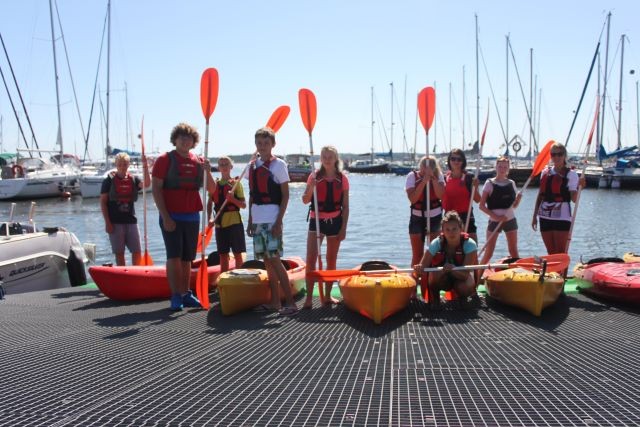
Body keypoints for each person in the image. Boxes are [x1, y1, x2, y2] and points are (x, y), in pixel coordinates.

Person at [152, 123, 215, 311]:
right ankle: (176, 295)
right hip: (171, 215)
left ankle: (186, 293)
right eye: (182, 137)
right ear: (175, 139)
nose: (185, 140)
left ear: (193, 141)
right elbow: (156, 189)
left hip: (192, 216)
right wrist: (166, 216)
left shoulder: (199, 161)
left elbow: (212, 189)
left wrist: (208, 171)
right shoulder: (164, 159)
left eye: (188, 138)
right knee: (174, 256)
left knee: (187, 258)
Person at [246, 127, 298, 316]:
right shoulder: (252, 166)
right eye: (259, 143)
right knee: (267, 262)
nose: (262, 146)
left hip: (272, 219)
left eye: (266, 143)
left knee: (275, 261)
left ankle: (291, 303)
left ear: (273, 145)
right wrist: (250, 221)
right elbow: (252, 195)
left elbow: (285, 195)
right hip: (258, 220)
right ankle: (274, 302)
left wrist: (279, 221)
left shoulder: (279, 165)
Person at [302, 146, 350, 309]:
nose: (327, 159)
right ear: (320, 158)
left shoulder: (342, 179)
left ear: (336, 159)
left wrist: (343, 228)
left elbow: (346, 206)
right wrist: (312, 187)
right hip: (317, 222)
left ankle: (328, 296)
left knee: (331, 260)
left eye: (330, 156)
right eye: (324, 156)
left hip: (335, 221)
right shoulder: (314, 176)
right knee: (311, 259)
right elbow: (305, 199)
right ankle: (309, 298)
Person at [415, 210, 478, 309]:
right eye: (447, 229)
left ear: (461, 229)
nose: (451, 232)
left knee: (465, 286)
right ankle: (435, 300)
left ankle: (463, 298)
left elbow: (465, 274)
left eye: (454, 229)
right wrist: (419, 269)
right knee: (434, 273)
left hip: (460, 277)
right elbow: (423, 267)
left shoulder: (470, 244)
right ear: (442, 231)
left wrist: (452, 269)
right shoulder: (436, 243)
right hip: (442, 277)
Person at [532, 142, 586, 255]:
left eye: (559, 154)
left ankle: (562, 272)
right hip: (545, 215)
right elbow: (541, 195)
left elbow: (574, 200)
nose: (556, 157)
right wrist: (534, 216)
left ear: (564, 155)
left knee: (561, 252)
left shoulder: (571, 175)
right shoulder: (545, 173)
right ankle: (553, 272)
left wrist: (580, 187)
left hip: (562, 216)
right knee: (550, 252)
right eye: (553, 154)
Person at [100, 152, 151, 266]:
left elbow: (147, 184)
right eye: (120, 164)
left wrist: (145, 165)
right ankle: (122, 274)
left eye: (125, 164)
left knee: (137, 251)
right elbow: (103, 202)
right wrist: (107, 223)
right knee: (119, 253)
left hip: (131, 221)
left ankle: (136, 275)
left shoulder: (133, 179)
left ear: (128, 165)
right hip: (115, 222)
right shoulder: (108, 181)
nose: (122, 167)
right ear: (116, 164)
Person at [478, 156, 522, 264]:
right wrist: (496, 217)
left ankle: (518, 276)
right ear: (496, 167)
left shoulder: (511, 183)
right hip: (494, 221)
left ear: (508, 169)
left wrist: (518, 200)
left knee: (513, 251)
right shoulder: (489, 183)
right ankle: (477, 277)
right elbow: (481, 206)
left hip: (510, 220)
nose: (502, 169)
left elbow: (514, 206)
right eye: (500, 166)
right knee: (489, 252)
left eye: (505, 167)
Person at [207, 156, 246, 273]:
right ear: (218, 167)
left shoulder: (236, 184)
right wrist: (209, 218)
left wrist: (232, 199)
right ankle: (223, 279)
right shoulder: (214, 185)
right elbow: (209, 203)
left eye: (226, 164)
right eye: (221, 165)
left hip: (235, 223)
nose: (224, 167)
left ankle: (239, 278)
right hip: (220, 225)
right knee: (223, 255)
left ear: (231, 167)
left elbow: (243, 205)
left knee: (237, 253)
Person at [406, 155, 445, 272]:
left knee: (433, 252)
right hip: (417, 217)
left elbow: (440, 195)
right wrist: (424, 181)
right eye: (424, 166)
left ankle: (431, 278)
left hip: (435, 217)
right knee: (417, 255)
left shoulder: (439, 176)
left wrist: (432, 179)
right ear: (421, 166)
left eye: (430, 166)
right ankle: (415, 278)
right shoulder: (412, 176)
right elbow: (413, 199)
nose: (426, 169)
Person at [442, 149, 481, 244]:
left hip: (466, 215)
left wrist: (475, 187)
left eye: (459, 159)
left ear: (463, 161)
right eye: (453, 159)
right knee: (450, 247)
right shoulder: (444, 179)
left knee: (472, 245)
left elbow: (477, 199)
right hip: (449, 218)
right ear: (449, 160)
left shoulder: (469, 178)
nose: (456, 161)